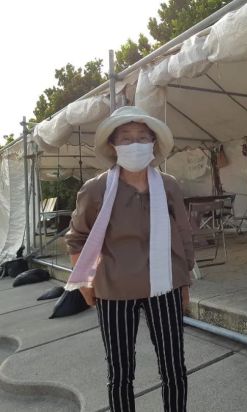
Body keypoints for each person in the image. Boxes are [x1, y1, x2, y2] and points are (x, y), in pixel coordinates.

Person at [64, 106, 195, 412]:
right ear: (113, 144)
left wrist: (185, 280)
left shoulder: (168, 185)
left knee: (174, 367)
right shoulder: (96, 189)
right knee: (120, 373)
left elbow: (183, 235)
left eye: (142, 137)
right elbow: (77, 238)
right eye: (126, 138)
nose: (135, 144)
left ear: (153, 143)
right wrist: (85, 284)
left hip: (165, 286)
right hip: (113, 289)